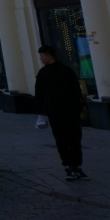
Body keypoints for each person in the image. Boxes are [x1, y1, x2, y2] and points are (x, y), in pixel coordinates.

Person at [35, 44, 88, 181]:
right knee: (61, 140)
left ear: (49, 55)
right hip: (54, 112)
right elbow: (39, 93)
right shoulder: (43, 73)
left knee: (74, 139)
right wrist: (41, 111)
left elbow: (75, 91)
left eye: (42, 55)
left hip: (70, 111)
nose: (41, 58)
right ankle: (69, 166)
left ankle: (77, 165)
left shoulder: (66, 71)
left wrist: (78, 108)